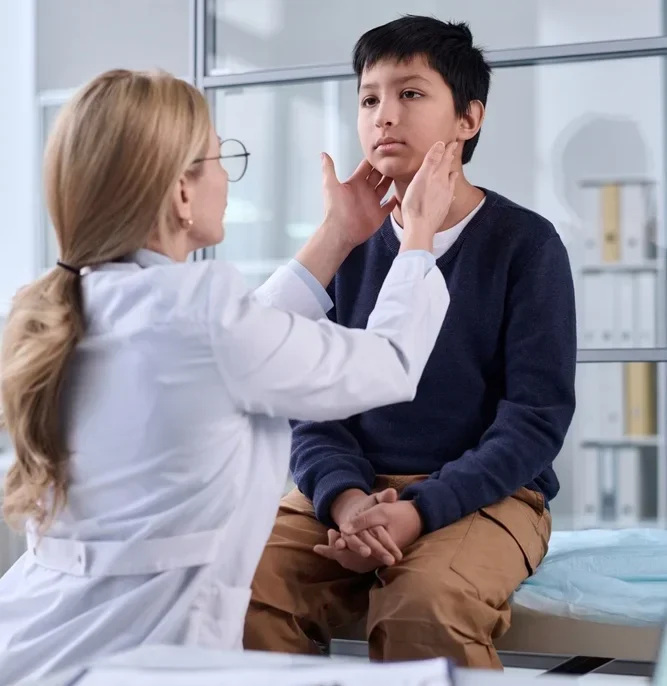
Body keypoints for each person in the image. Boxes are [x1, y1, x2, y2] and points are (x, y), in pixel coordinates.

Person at [0, 68, 458, 683]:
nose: (226, 178)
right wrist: (420, 237)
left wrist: (339, 234)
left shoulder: (56, 308)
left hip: (27, 643)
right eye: (221, 158)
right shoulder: (200, 313)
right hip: (126, 666)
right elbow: (391, 363)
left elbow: (233, 349)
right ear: (182, 194)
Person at [245, 16, 577, 669]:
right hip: (345, 493)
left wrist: (417, 510)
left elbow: (533, 422)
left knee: (422, 606)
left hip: (487, 495)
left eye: (410, 94)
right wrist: (344, 499)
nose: (383, 115)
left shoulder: (525, 245)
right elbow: (307, 402)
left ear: (468, 118)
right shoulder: (346, 242)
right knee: (235, 590)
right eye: (369, 98)